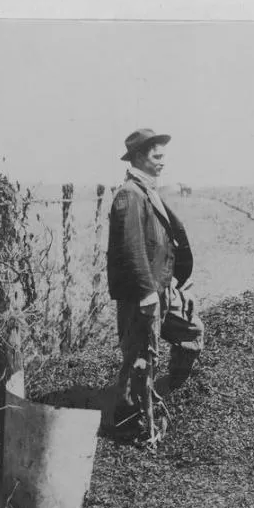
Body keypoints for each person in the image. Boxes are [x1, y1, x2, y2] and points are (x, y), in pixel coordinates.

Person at [107, 128, 202, 436]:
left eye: (163, 156)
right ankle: (127, 426)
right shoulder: (129, 195)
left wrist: (174, 281)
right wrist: (148, 292)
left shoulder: (148, 191)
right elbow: (132, 250)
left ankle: (168, 393)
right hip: (141, 295)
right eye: (156, 156)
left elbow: (162, 244)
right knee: (138, 358)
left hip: (162, 289)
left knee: (191, 331)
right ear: (138, 157)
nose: (163, 162)